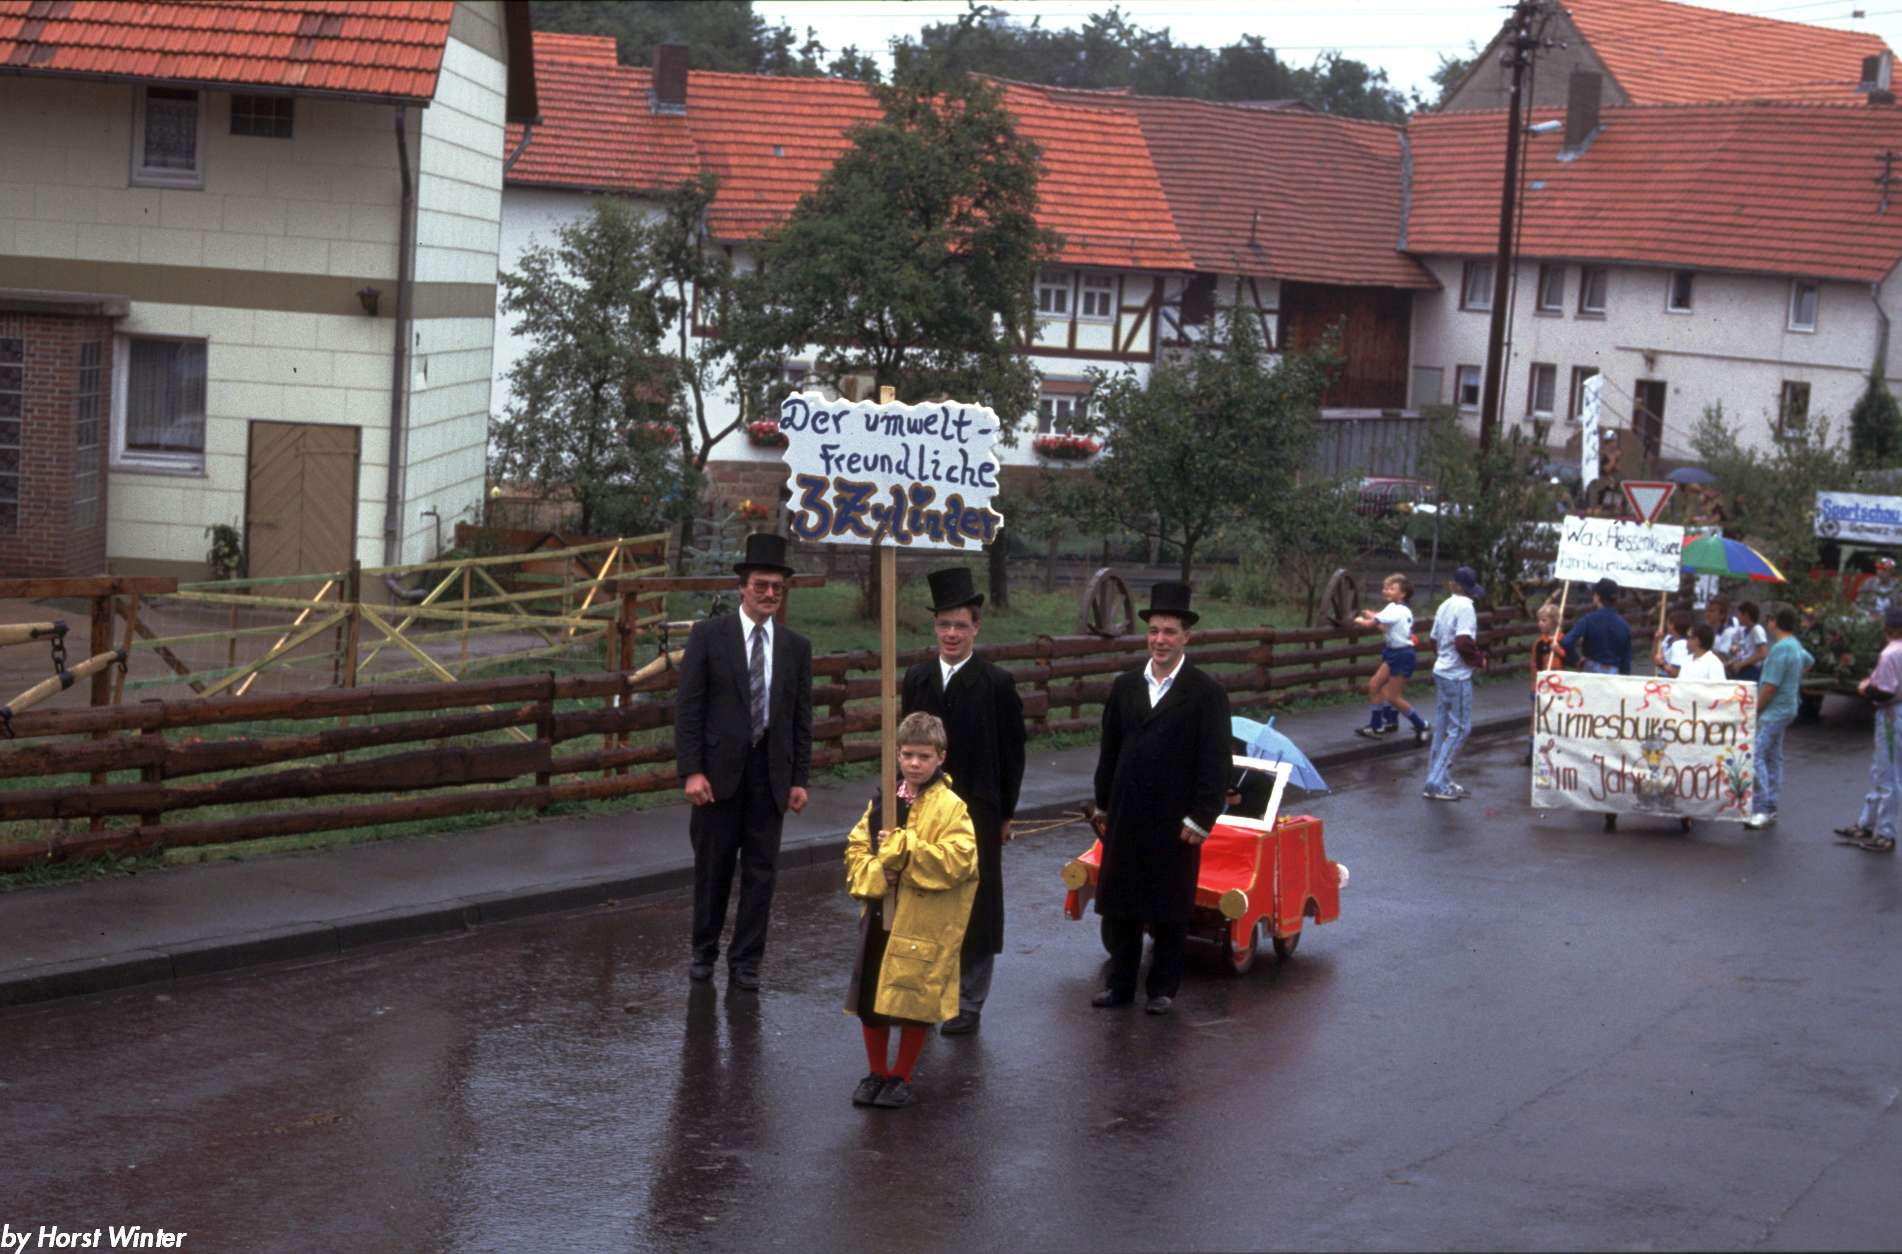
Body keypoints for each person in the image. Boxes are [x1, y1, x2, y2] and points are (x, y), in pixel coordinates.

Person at [674, 532, 813, 991]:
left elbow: (801, 719)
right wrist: (692, 770)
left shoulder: (795, 647)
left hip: (769, 777)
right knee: (712, 869)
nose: (769, 594)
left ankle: (746, 962)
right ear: (742, 587)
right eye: (761, 585)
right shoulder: (709, 636)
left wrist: (798, 779)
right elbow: (689, 709)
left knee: (761, 873)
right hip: (717, 777)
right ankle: (703, 952)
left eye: (777, 587)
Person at [1090, 581, 1231, 1015]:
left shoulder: (1206, 693)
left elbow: (1215, 762)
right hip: (1128, 811)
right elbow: (1110, 749)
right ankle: (1120, 986)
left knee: (1169, 902)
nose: (1160, 640)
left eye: (1170, 632)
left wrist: (1202, 817)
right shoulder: (1126, 686)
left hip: (1176, 818)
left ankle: (1162, 988)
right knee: (1123, 902)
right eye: (1154, 631)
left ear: (1186, 636)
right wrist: (1103, 804)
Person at [900, 566, 1026, 1037]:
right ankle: (926, 989)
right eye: (944, 625)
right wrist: (902, 799)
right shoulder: (918, 678)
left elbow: (1012, 753)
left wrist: (1006, 812)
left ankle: (969, 999)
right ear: (934, 627)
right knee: (925, 895)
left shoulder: (995, 683)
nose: (951, 634)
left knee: (976, 901)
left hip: (977, 810)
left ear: (976, 628)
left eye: (960, 625)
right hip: (925, 809)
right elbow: (905, 746)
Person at [844, 712, 979, 1110]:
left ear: (941, 757)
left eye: (924, 756)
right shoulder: (884, 801)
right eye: (907, 755)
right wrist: (877, 874)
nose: (914, 764)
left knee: (913, 1001)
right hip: (881, 916)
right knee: (872, 999)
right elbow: (856, 850)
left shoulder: (952, 808)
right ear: (897, 754)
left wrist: (905, 851)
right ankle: (876, 1072)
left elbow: (960, 861)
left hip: (922, 922)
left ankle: (901, 1075)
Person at [1834, 605, 1902, 854]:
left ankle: (1885, 833)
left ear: (1887, 628)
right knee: (1880, 770)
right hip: (1896, 712)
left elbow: (1884, 691)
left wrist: (1864, 688)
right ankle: (1867, 823)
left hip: (1892, 713)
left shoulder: (1891, 653)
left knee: (1888, 775)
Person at [1745, 606, 1814, 830]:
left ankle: (1762, 808)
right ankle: (1771, 805)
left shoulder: (1779, 649)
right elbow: (1809, 661)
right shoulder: (1795, 645)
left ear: (1774, 622)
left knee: (1755, 755)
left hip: (1774, 711)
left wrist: (1756, 709)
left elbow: (1770, 686)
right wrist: (1792, 679)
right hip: (1788, 707)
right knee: (1773, 757)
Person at [1423, 566, 1486, 802]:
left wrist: (1443, 657)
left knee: (1442, 727)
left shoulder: (1444, 605)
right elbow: (1463, 642)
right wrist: (1478, 660)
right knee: (1460, 729)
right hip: (1457, 676)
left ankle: (1437, 778)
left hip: (1441, 671)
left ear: (1452, 585)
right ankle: (1436, 781)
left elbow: (1433, 639)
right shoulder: (1466, 607)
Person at [1351, 573, 1428, 743]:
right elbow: (1384, 627)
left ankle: (1421, 724)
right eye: (1386, 588)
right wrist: (1372, 615)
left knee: (1393, 697)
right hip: (1393, 653)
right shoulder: (1397, 608)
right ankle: (1376, 726)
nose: (1386, 591)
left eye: (1392, 588)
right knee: (1375, 685)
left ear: (1403, 594)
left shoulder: (1397, 610)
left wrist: (1359, 620)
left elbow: (1371, 624)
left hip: (1402, 655)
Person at [1560, 577, 1632, 675]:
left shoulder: (1588, 620)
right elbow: (1626, 660)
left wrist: (1576, 660)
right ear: (1615, 599)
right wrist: (1624, 676)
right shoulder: (1624, 625)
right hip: (1614, 673)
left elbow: (1566, 642)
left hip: (1591, 669)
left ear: (1597, 597)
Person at [1726, 600, 1769, 683]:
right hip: (1743, 669)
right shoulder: (1743, 631)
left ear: (1746, 615)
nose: (1738, 617)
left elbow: (1762, 653)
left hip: (1753, 670)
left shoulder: (1757, 630)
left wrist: (1741, 664)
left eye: (1739, 614)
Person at [1652, 608, 1693, 678]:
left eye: (1668, 623)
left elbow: (1676, 673)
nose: (1666, 625)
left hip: (1670, 680)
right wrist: (1656, 641)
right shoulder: (1668, 638)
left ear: (1672, 626)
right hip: (1661, 677)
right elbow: (1655, 658)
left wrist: (1662, 664)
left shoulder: (1681, 645)